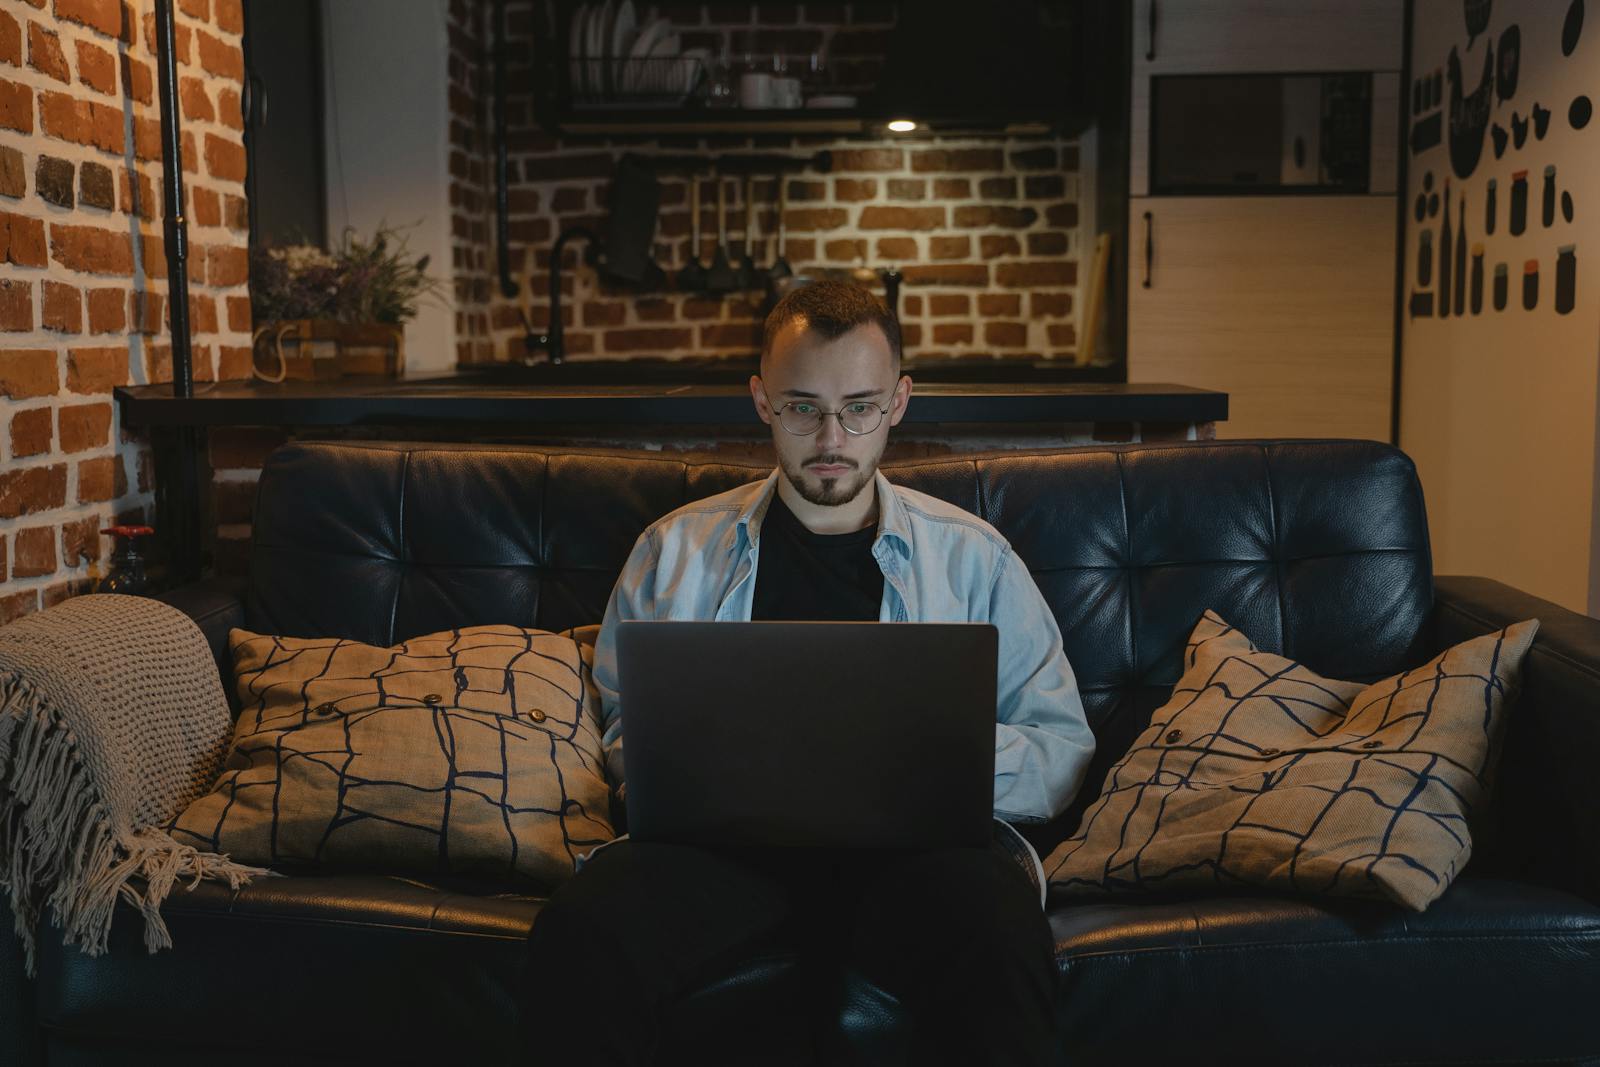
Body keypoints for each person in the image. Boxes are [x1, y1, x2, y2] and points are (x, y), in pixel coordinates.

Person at [522, 281, 1095, 1065]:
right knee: (583, 927)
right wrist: (696, 773)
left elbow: (1058, 744)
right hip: (718, 857)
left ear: (900, 401)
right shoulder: (674, 549)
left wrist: (932, 767)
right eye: (803, 407)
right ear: (761, 399)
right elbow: (627, 730)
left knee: (998, 925)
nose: (832, 435)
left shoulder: (974, 556)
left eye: (859, 406)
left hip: (917, 861)